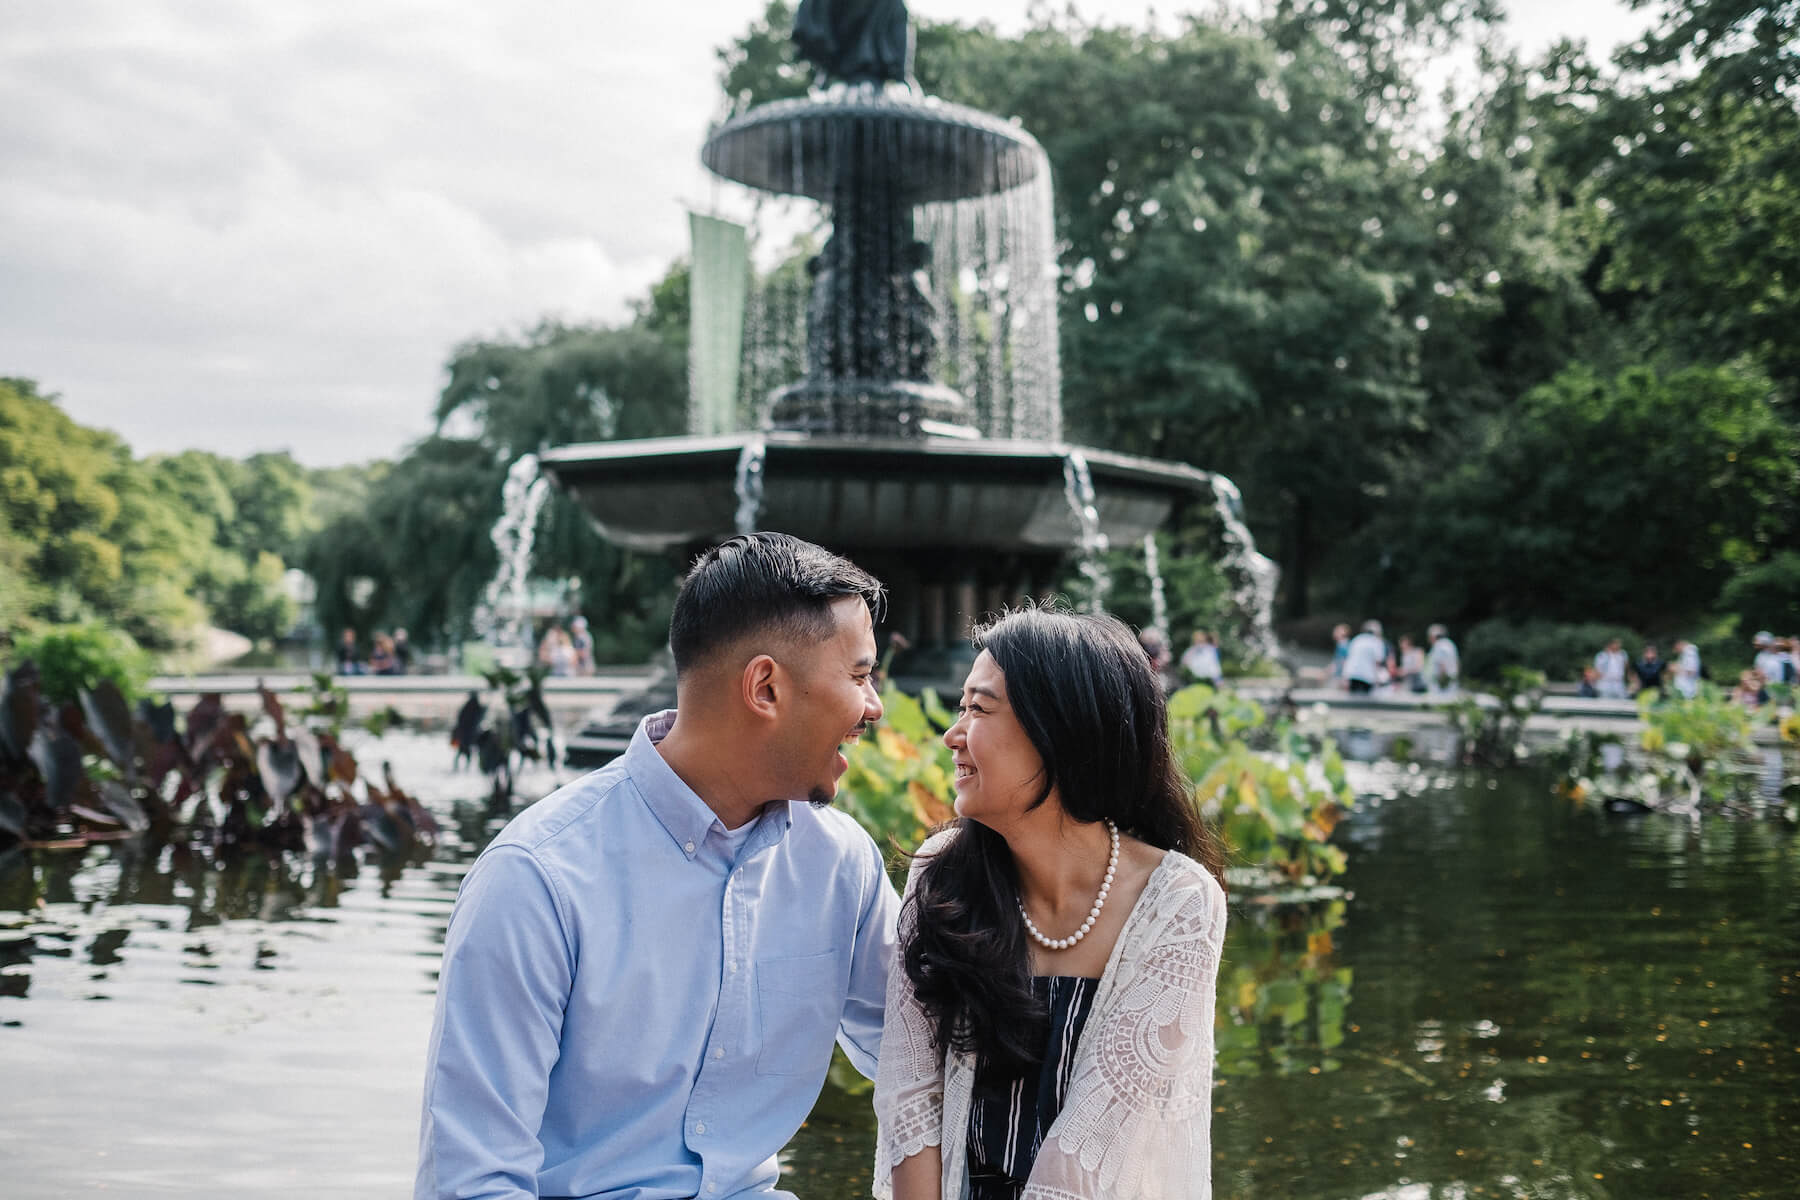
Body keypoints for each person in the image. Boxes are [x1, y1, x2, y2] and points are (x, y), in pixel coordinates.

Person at [416, 533, 900, 1200]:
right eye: (857, 676)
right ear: (766, 687)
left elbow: (927, 1060)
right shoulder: (536, 879)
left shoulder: (840, 864)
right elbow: (473, 1182)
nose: (873, 706)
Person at [874, 607, 1226, 1200]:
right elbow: (909, 1096)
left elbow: (1091, 1148)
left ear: (1059, 730)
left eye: (979, 709)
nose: (951, 734)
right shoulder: (943, 874)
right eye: (960, 708)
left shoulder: (1177, 904)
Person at [1342, 620, 1386, 695]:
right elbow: (1377, 662)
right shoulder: (1377, 642)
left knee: (1352, 699)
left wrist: (1345, 676)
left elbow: (1348, 658)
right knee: (1365, 702)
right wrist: (1378, 678)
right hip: (1367, 676)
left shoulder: (1357, 639)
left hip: (1353, 674)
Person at [1425, 624, 1460, 696]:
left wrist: (1442, 681)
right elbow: (1457, 662)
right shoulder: (1450, 644)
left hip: (1441, 684)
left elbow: (1441, 663)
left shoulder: (1439, 645)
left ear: (1433, 637)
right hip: (1451, 680)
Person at [1328, 623, 1352, 689]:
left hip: (1340, 677)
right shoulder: (1346, 644)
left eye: (1337, 631)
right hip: (1341, 676)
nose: (1334, 632)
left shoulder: (1342, 645)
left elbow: (1343, 662)